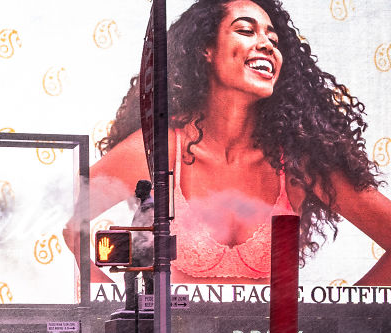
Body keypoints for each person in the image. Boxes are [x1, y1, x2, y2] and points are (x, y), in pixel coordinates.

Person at [65, 0, 391, 287]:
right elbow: (71, 225)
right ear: (205, 49)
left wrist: (332, 323)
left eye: (273, 39)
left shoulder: (297, 159)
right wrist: (117, 314)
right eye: (246, 30)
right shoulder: (157, 148)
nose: (265, 44)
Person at [124, 180, 155, 311]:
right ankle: (145, 305)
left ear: (145, 190)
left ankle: (146, 305)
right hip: (140, 247)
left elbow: (148, 229)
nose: (136, 191)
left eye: (138, 188)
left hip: (145, 247)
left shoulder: (150, 207)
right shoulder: (145, 205)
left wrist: (146, 243)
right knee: (141, 276)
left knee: (147, 277)